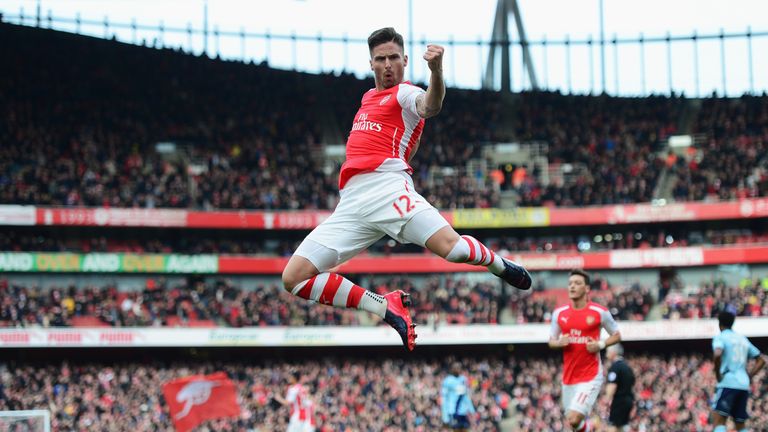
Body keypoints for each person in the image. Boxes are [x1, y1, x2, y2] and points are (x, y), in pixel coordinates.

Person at [281, 27, 531, 351]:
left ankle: (499, 264)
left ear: (405, 61)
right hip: (352, 203)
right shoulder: (367, 99)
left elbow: (430, 105)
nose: (388, 65)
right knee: (294, 278)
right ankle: (385, 306)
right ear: (371, 63)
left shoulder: (405, 93)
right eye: (381, 59)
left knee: (453, 249)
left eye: (394, 58)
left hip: (388, 190)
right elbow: (408, 143)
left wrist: (436, 70)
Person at [548, 269, 622, 432]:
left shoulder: (599, 312)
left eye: (577, 283)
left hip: (590, 376)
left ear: (587, 289)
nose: (572, 287)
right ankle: (591, 428)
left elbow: (616, 335)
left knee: (574, 418)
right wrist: (559, 342)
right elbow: (551, 341)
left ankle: (591, 426)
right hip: (568, 377)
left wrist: (600, 345)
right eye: (570, 284)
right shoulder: (559, 314)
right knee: (573, 423)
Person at [710, 310, 766, 432]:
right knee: (740, 423)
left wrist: (718, 373)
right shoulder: (742, 339)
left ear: (719, 324)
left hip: (728, 382)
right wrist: (749, 376)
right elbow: (761, 360)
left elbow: (717, 354)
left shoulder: (720, 337)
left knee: (719, 420)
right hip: (743, 385)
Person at [602, 343, 635, 432]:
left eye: (608, 351)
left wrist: (606, 400)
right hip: (628, 400)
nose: (606, 353)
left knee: (612, 426)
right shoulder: (628, 367)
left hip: (619, 400)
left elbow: (612, 385)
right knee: (621, 427)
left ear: (614, 352)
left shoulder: (615, 367)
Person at [441, 362, 476, 431]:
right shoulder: (447, 381)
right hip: (453, 411)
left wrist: (472, 410)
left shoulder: (463, 379)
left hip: (463, 411)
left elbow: (466, 396)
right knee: (456, 429)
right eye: (455, 368)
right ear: (452, 369)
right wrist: (445, 416)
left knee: (465, 429)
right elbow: (444, 399)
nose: (457, 369)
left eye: (459, 368)